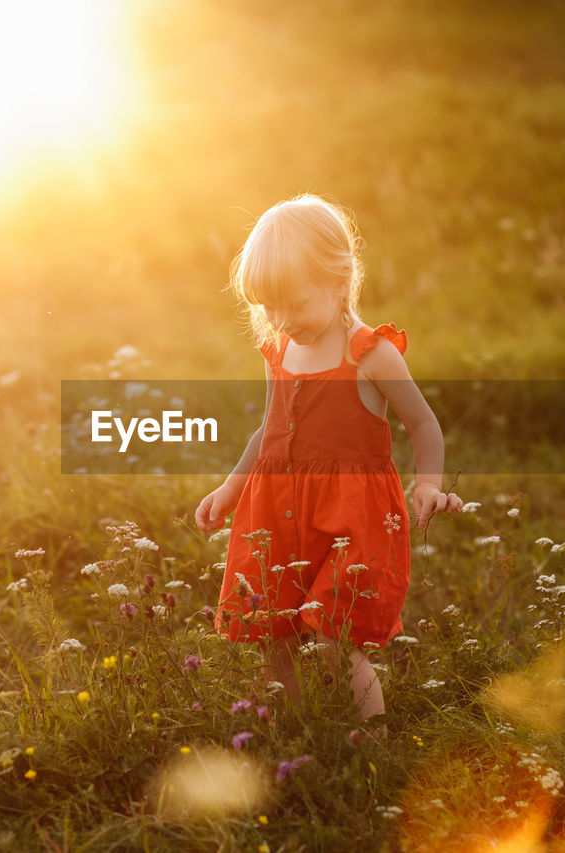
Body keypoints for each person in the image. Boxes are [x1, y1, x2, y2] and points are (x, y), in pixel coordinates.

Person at [194, 194, 463, 722]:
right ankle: (299, 733)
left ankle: (373, 747)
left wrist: (427, 483)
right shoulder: (278, 351)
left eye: (296, 304)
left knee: (336, 634)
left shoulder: (370, 353)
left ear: (340, 284)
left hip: (351, 518)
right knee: (275, 632)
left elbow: (423, 423)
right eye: (270, 307)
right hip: (277, 512)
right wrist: (230, 489)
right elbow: (269, 432)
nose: (282, 319)